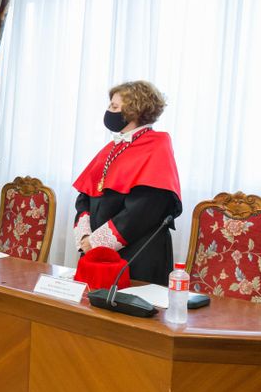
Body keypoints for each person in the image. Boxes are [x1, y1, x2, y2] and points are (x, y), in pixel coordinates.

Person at [73, 80, 182, 285]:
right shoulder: (113, 146)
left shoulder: (156, 146)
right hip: (97, 253)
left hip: (137, 255)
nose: (109, 112)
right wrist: (85, 236)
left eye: (114, 107)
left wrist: (96, 242)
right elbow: (85, 195)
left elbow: (144, 209)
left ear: (134, 112)